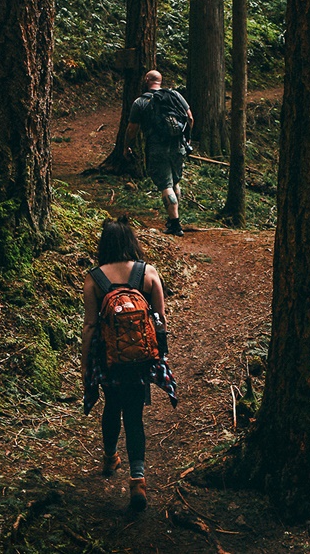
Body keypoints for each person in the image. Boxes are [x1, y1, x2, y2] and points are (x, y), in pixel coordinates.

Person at [81, 216, 170, 511]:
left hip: (109, 359)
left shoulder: (94, 278)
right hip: (140, 361)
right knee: (134, 415)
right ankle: (138, 481)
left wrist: (85, 364)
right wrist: (160, 358)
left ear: (104, 245)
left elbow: (91, 326)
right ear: (131, 241)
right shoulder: (148, 272)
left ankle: (109, 458)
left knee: (111, 406)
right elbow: (160, 320)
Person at [123, 70, 194, 237]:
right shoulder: (175, 95)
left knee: (165, 185)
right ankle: (174, 218)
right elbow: (190, 118)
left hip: (157, 147)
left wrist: (127, 146)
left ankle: (175, 224)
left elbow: (132, 129)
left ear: (146, 80)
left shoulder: (140, 102)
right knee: (175, 182)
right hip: (178, 145)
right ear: (160, 81)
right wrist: (187, 138)